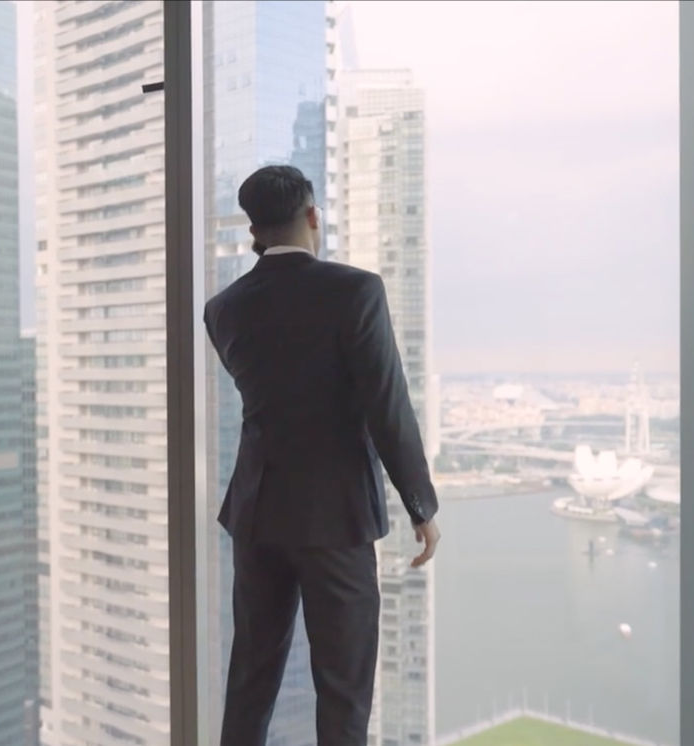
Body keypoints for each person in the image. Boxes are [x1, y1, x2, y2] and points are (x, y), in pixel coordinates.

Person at [204, 165, 441, 746]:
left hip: (257, 513)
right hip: (335, 518)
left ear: (254, 231)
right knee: (343, 689)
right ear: (313, 217)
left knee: (251, 678)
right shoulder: (355, 291)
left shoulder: (223, 309)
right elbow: (388, 405)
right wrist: (421, 506)